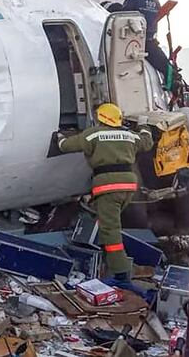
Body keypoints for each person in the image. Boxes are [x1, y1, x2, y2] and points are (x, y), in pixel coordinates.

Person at [57, 103, 153, 293]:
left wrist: (59, 136)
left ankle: (121, 276)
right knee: (111, 225)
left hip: (108, 187)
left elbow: (65, 146)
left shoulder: (93, 134)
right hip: (127, 187)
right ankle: (114, 265)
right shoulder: (129, 135)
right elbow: (147, 141)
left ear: (101, 118)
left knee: (111, 232)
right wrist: (144, 125)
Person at [122, 0, 172, 77]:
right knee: (166, 67)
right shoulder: (156, 2)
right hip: (151, 43)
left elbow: (123, 16)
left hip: (132, 42)